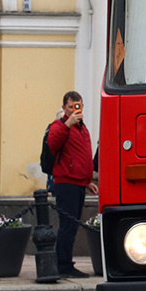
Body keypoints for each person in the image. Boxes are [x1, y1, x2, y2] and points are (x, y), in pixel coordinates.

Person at [46, 91, 97, 278]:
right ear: (64, 108)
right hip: (66, 182)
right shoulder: (59, 126)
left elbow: (81, 155)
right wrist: (66, 124)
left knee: (72, 226)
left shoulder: (82, 129)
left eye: (78, 106)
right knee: (67, 226)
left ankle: (65, 263)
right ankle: (63, 265)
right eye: (71, 106)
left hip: (77, 183)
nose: (75, 110)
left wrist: (88, 181)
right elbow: (53, 144)